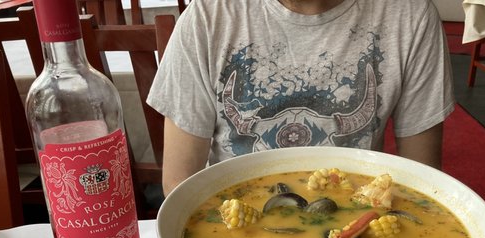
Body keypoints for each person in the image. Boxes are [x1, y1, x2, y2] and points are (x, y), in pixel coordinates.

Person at [147, 0, 455, 196]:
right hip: (237, 229)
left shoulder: (411, 17)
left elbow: (423, 183)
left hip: (359, 218)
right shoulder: (207, 19)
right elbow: (179, 184)